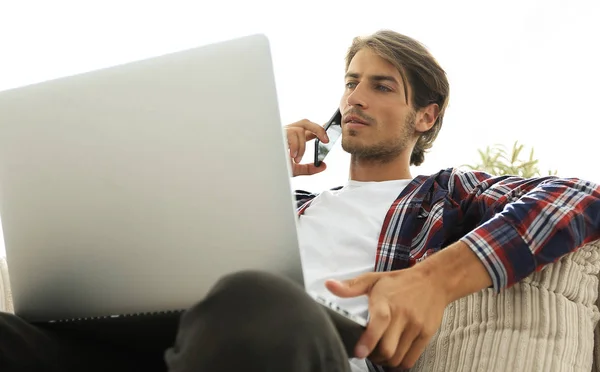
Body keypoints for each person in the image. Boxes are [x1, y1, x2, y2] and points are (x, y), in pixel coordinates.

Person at [1, 29, 599, 372]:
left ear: (425, 115)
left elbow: (582, 198)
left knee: (254, 299)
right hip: (183, 339)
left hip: (297, 341)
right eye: (349, 82)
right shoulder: (296, 203)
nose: (354, 98)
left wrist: (436, 280)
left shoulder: (443, 193)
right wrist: (250, 164)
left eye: (380, 85)